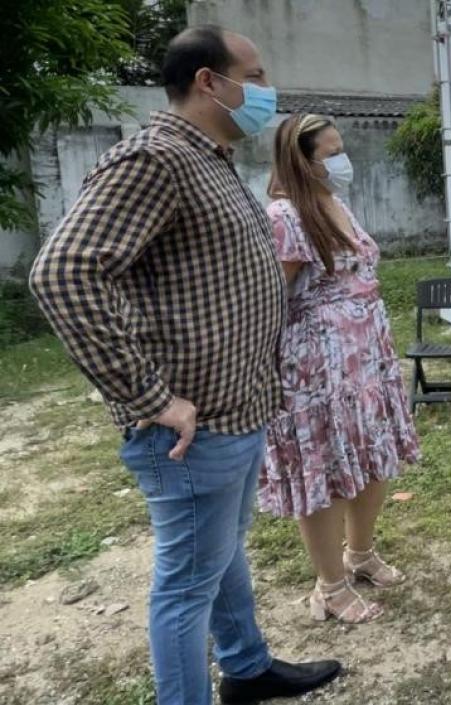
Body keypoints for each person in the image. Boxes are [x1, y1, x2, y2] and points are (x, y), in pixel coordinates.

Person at [27, 26, 342, 705]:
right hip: (189, 429)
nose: (266, 90)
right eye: (254, 75)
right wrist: (149, 396)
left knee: (221, 552)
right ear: (209, 81)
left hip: (236, 413)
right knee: (186, 584)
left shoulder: (210, 157)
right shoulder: (156, 159)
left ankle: (247, 666)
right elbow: (63, 272)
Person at [262, 113, 420, 623]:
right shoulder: (285, 216)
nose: (341, 160)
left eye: (339, 148)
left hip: (366, 360)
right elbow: (271, 298)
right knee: (325, 470)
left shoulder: (335, 202)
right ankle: (329, 585)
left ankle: (361, 553)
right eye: (330, 152)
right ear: (302, 160)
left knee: (373, 455)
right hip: (318, 370)